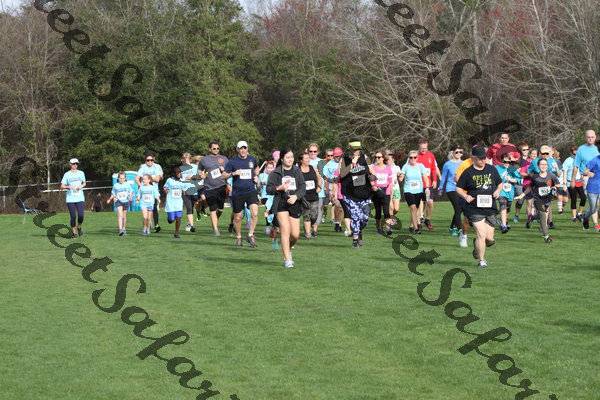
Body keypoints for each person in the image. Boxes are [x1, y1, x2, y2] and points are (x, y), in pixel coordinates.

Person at [456, 145, 503, 268]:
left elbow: (500, 184)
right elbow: (458, 188)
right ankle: (482, 260)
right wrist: (465, 196)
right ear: (474, 158)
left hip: (490, 207)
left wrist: (498, 191)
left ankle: (477, 246)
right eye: (480, 158)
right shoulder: (468, 172)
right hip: (474, 208)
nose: (483, 160)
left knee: (489, 239)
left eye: (484, 158)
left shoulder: (492, 169)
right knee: (481, 234)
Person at [266, 148, 306, 268]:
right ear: (282, 159)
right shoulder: (275, 173)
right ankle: (287, 260)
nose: (290, 159)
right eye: (288, 157)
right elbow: (269, 189)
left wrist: (296, 196)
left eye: (292, 157)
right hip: (281, 204)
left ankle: (287, 249)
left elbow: (303, 187)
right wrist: (279, 188)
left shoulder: (297, 171)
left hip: (294, 203)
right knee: (285, 230)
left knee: (295, 235)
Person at [222, 141, 260, 247]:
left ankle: (250, 235)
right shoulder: (232, 162)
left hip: (251, 191)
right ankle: (239, 237)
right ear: (237, 149)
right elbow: (223, 175)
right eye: (241, 148)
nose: (243, 150)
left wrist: (256, 176)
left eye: (245, 148)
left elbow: (256, 168)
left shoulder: (252, 159)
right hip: (238, 193)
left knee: (255, 213)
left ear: (247, 148)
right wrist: (233, 173)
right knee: (237, 217)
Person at [339, 139, 375, 248]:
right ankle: (355, 240)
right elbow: (342, 174)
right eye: (355, 149)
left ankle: (358, 231)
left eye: (359, 149)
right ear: (349, 148)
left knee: (365, 218)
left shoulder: (365, 158)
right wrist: (353, 163)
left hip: (365, 193)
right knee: (355, 216)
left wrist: (372, 178)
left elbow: (372, 172)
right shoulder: (344, 159)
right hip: (350, 193)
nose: (357, 151)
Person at [516, 158, 559, 242]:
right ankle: (546, 236)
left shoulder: (551, 176)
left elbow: (557, 184)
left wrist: (554, 188)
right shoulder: (535, 177)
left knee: (540, 214)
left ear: (547, 166)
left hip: (548, 198)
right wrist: (521, 196)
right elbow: (530, 187)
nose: (543, 166)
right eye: (541, 164)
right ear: (538, 166)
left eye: (545, 164)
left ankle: (531, 217)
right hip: (537, 198)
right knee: (542, 214)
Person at [198, 141, 229, 236]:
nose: (216, 150)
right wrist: (201, 174)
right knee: (213, 208)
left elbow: (229, 171)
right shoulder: (204, 160)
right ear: (209, 149)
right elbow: (199, 169)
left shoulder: (224, 159)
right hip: (209, 187)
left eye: (217, 148)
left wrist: (224, 170)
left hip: (221, 186)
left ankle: (214, 221)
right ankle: (216, 230)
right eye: (214, 148)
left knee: (220, 209)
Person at [528, 145, 561, 229]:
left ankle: (547, 223)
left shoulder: (553, 161)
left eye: (547, 153)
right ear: (540, 153)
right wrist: (536, 179)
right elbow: (529, 171)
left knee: (548, 205)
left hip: (550, 186)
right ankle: (540, 220)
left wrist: (556, 169)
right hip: (539, 186)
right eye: (543, 153)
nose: (545, 155)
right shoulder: (535, 161)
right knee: (541, 207)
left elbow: (559, 174)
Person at [571, 130, 599, 222]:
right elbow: (576, 165)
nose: (590, 139)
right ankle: (596, 225)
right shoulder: (581, 149)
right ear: (585, 138)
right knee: (594, 203)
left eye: (592, 137)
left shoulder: (598, 148)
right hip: (587, 178)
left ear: (595, 137)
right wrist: (573, 180)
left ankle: (585, 216)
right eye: (588, 137)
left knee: (596, 203)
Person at [400, 150, 430, 234]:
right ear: (408, 158)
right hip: (408, 190)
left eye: (414, 157)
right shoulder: (406, 167)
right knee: (413, 207)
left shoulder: (421, 166)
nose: (413, 159)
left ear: (417, 158)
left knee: (415, 210)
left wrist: (427, 187)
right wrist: (399, 176)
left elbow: (425, 177)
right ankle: (416, 228)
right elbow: (401, 179)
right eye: (411, 157)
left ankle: (411, 225)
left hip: (419, 191)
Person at [135, 152, 163, 233]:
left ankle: (155, 225)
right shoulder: (143, 167)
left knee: (154, 209)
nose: (150, 162)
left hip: (153, 190)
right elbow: (136, 178)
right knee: (145, 212)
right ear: (145, 160)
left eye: (151, 160)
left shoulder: (156, 167)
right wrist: (141, 185)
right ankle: (146, 226)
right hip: (144, 192)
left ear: (153, 160)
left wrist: (147, 179)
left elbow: (158, 179)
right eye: (148, 160)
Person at [416, 139, 440, 231]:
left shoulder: (430, 155)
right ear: (418, 147)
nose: (424, 150)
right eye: (422, 148)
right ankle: (419, 221)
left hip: (428, 184)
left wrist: (435, 180)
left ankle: (427, 219)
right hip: (418, 184)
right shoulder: (415, 156)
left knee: (430, 202)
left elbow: (433, 168)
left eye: (425, 148)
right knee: (420, 202)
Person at [440, 145, 463, 236]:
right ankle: (460, 229)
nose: (459, 154)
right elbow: (443, 177)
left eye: (460, 152)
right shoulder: (448, 164)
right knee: (457, 208)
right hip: (451, 189)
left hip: (461, 189)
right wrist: (440, 188)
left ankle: (452, 226)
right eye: (456, 152)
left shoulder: (464, 163)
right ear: (452, 153)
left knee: (460, 209)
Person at [495, 153, 521, 233]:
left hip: (510, 191)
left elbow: (518, 180)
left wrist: (511, 179)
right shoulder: (496, 168)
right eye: (505, 162)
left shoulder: (512, 169)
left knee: (508, 208)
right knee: (503, 204)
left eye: (508, 162)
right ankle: (503, 226)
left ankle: (504, 221)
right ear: (501, 160)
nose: (507, 164)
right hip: (501, 191)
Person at [299, 152, 323, 239]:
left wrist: (319, 187)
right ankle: (308, 233)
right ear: (301, 160)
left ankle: (309, 227)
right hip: (303, 196)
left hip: (313, 195)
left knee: (314, 215)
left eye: (308, 158)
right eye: (306, 158)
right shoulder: (298, 170)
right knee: (306, 215)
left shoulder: (313, 168)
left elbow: (320, 179)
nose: (308, 160)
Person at [60, 158, 87, 238]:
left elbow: (84, 183)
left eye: (76, 164)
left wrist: (81, 186)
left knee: (81, 215)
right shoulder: (67, 174)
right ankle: (74, 233)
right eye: (73, 164)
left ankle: (79, 227)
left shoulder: (81, 173)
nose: (75, 165)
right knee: (73, 216)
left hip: (80, 197)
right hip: (70, 198)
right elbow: (62, 186)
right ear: (70, 164)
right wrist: (68, 187)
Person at [371, 150, 394, 235]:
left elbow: (390, 182)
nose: (377, 159)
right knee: (378, 211)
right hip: (376, 192)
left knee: (386, 210)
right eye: (376, 157)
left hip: (386, 192)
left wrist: (391, 192)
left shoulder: (388, 168)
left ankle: (388, 228)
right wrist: (373, 187)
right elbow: (370, 180)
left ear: (383, 158)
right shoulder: (373, 168)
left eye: (379, 157)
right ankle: (379, 228)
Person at [562, 145, 586, 222]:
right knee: (574, 199)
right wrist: (564, 184)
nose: (576, 156)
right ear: (571, 153)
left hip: (579, 181)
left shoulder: (581, 160)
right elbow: (565, 172)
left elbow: (583, 169)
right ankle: (574, 217)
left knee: (583, 198)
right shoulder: (567, 161)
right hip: (570, 182)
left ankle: (580, 213)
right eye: (574, 154)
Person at [307, 143, 327, 234]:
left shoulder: (321, 162)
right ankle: (308, 228)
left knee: (318, 210)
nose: (313, 153)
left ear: (318, 152)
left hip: (319, 191)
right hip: (307, 191)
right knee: (308, 211)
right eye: (311, 151)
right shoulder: (304, 161)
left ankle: (314, 229)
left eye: (315, 151)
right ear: (308, 151)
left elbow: (325, 176)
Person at [323, 147, 344, 231]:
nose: (338, 157)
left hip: (343, 186)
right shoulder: (329, 164)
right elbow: (325, 177)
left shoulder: (345, 163)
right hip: (333, 185)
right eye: (336, 156)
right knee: (337, 204)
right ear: (334, 156)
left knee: (341, 207)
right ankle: (337, 222)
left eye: (340, 156)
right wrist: (327, 189)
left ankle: (339, 224)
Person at [107, 171, 134, 235]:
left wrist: (130, 195)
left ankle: (124, 228)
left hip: (126, 201)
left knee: (124, 216)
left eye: (123, 178)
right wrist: (110, 199)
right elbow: (113, 193)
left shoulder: (127, 184)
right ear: (118, 178)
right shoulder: (115, 185)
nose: (122, 179)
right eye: (120, 178)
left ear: (125, 178)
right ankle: (120, 229)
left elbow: (131, 192)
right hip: (118, 201)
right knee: (120, 215)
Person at [164, 166, 186, 239]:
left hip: (179, 203)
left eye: (180, 172)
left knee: (178, 219)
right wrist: (165, 190)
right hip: (170, 203)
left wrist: (184, 192)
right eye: (177, 172)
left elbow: (184, 189)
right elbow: (165, 187)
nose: (179, 174)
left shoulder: (182, 181)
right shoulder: (169, 180)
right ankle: (169, 219)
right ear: (174, 173)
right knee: (171, 220)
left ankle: (176, 233)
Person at [581, 147, 600, 232]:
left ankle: (597, 226)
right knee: (593, 209)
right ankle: (585, 217)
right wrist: (588, 173)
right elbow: (584, 172)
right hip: (593, 188)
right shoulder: (594, 160)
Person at [180, 153, 198, 232]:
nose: (185, 159)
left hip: (194, 190)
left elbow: (201, 177)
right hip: (185, 191)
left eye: (187, 158)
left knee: (192, 207)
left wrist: (193, 177)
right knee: (189, 208)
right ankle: (192, 225)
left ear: (190, 159)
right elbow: (179, 180)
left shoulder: (195, 167)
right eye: (184, 158)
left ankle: (188, 223)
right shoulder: (181, 168)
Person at [513, 142, 530, 222]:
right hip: (520, 183)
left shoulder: (531, 159)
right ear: (521, 151)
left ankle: (530, 217)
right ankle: (517, 214)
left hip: (530, 182)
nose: (526, 151)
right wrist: (518, 170)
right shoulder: (518, 161)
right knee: (520, 200)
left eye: (527, 149)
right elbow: (513, 170)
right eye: (524, 150)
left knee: (531, 201)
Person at [386, 150, 403, 229]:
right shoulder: (384, 168)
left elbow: (400, 177)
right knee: (391, 207)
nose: (387, 161)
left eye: (389, 159)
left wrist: (400, 176)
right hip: (388, 189)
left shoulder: (396, 168)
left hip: (396, 189)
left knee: (396, 208)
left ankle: (390, 216)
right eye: (386, 160)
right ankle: (389, 221)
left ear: (393, 160)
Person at [257, 161, 275, 234]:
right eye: (268, 168)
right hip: (265, 196)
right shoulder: (262, 175)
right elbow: (258, 187)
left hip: (273, 195)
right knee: (269, 208)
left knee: (273, 210)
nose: (269, 169)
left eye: (271, 168)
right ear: (265, 168)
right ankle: (268, 226)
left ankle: (272, 225)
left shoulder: (275, 176)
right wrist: (261, 183)